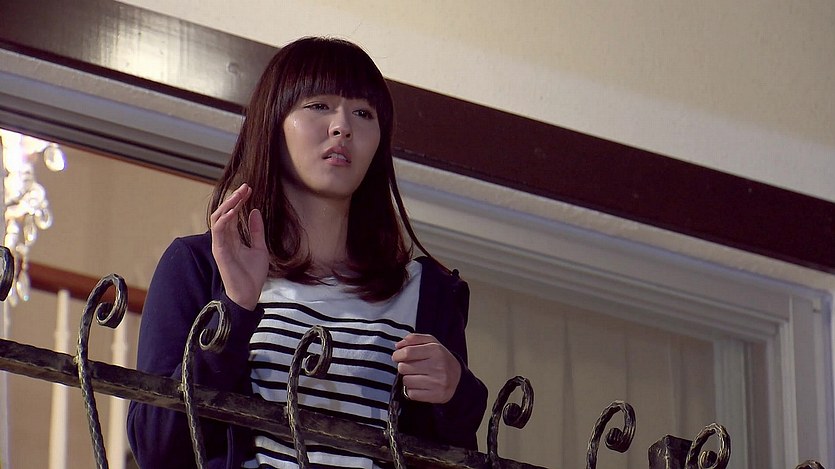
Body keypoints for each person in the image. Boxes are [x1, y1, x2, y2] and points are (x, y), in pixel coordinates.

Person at [126, 36, 488, 469]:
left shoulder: (426, 292)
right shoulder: (202, 265)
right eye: (319, 105)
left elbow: (455, 457)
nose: (342, 127)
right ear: (273, 124)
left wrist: (458, 395)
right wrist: (235, 309)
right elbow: (156, 449)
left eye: (363, 113)